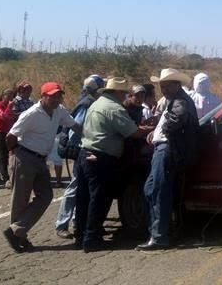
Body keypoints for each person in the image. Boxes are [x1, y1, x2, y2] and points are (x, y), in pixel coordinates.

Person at [75, 78, 152, 252]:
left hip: (85, 152)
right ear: (117, 93)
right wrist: (150, 129)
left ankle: (81, 234)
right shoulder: (114, 108)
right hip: (101, 156)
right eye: (124, 93)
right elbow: (133, 132)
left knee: (84, 197)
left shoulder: (97, 104)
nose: (125, 95)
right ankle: (92, 238)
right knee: (99, 198)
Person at [3, 82, 81, 253]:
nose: (56, 99)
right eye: (52, 96)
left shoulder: (59, 110)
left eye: (59, 95)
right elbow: (11, 136)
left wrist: (90, 134)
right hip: (24, 156)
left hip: (40, 159)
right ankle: (20, 237)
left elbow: (74, 125)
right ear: (43, 96)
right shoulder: (31, 114)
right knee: (20, 200)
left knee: (46, 195)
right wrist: (14, 153)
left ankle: (15, 231)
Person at [137, 68, 199, 251]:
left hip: (167, 149)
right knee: (151, 190)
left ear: (176, 85)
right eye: (162, 86)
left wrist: (162, 131)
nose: (163, 89)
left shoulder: (179, 101)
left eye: (167, 85)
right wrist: (155, 132)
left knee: (158, 191)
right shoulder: (175, 100)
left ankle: (159, 236)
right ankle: (159, 231)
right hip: (164, 148)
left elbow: (176, 119)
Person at [55, 75, 105, 239]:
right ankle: (62, 224)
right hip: (80, 148)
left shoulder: (87, 100)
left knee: (80, 186)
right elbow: (75, 128)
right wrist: (83, 145)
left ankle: (78, 221)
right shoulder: (87, 103)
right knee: (75, 186)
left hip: (81, 148)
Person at [0, 89, 15, 184]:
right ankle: (5, 178)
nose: (10, 98)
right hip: (1, 133)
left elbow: (12, 118)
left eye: (11, 97)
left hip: (8, 133)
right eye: (8, 96)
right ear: (3, 96)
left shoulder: (8, 106)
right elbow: (4, 117)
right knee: (3, 157)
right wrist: (9, 107)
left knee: (0, 155)